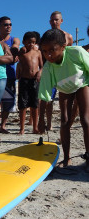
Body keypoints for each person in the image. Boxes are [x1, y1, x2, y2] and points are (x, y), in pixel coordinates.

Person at [38, 29, 89, 172]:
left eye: (52, 50)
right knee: (65, 121)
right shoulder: (48, 67)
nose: (48, 55)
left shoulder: (77, 52)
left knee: (86, 120)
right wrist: (41, 119)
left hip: (82, 84)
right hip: (65, 89)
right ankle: (67, 158)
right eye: (44, 51)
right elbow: (45, 94)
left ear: (63, 47)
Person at [45, 11, 74, 131]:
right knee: (48, 99)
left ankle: (66, 123)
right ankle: (49, 123)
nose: (54, 22)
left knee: (66, 100)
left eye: (56, 20)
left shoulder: (68, 36)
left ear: (61, 21)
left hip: (65, 71)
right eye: (52, 20)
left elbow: (70, 54)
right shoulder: (47, 35)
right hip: (51, 70)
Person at [16, 31, 43, 135]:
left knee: (35, 105)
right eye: (28, 42)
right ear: (24, 42)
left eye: (33, 42)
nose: (31, 44)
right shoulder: (22, 52)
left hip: (35, 81)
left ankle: (35, 128)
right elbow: (17, 59)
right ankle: (22, 128)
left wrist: (40, 73)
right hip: (24, 80)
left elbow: (42, 66)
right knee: (23, 105)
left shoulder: (38, 53)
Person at [0, 16, 20, 134]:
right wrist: (9, 57)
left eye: (10, 24)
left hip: (10, 75)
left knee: (7, 102)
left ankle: (3, 126)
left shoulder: (14, 40)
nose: (8, 26)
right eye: (6, 24)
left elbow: (15, 50)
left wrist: (4, 57)